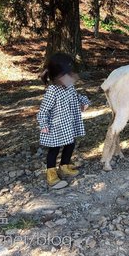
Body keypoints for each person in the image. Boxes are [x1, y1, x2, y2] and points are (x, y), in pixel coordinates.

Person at [37, 53, 91, 188]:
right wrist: (43, 124)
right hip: (56, 127)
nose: (71, 77)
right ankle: (51, 173)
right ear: (58, 75)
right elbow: (43, 110)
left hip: (69, 124)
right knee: (54, 150)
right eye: (67, 74)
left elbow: (76, 96)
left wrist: (84, 101)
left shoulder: (69, 86)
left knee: (70, 144)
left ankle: (64, 166)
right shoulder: (52, 91)